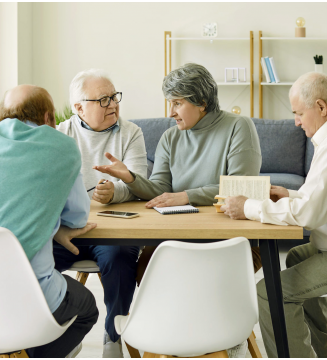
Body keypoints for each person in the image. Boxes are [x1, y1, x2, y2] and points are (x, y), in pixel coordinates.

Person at [94, 63, 263, 358]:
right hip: (173, 242)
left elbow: (241, 187)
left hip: (233, 244)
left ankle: (221, 336)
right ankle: (180, 341)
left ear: (202, 102)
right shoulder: (171, 137)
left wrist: (185, 196)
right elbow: (161, 188)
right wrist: (130, 178)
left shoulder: (238, 127)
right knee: (149, 268)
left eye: (177, 103)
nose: (171, 112)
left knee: (203, 277)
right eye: (169, 103)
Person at [221, 72, 327, 358]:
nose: (296, 121)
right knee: (298, 255)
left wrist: (247, 208)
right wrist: (289, 195)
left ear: (321, 107)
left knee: (269, 293)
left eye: (299, 113)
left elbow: (311, 215)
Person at [0, 85, 99, 358]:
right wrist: (54, 227)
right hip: (24, 297)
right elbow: (77, 217)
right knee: (87, 308)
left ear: (2, 117)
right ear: (49, 117)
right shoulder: (62, 146)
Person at [57, 69, 147, 357]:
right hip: (66, 230)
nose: (113, 105)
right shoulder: (61, 135)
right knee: (30, 254)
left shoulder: (131, 132)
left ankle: (113, 336)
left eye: (114, 97)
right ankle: (56, 333)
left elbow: (140, 184)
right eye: (103, 100)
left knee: (119, 256)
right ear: (78, 108)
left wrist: (115, 192)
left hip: (110, 231)